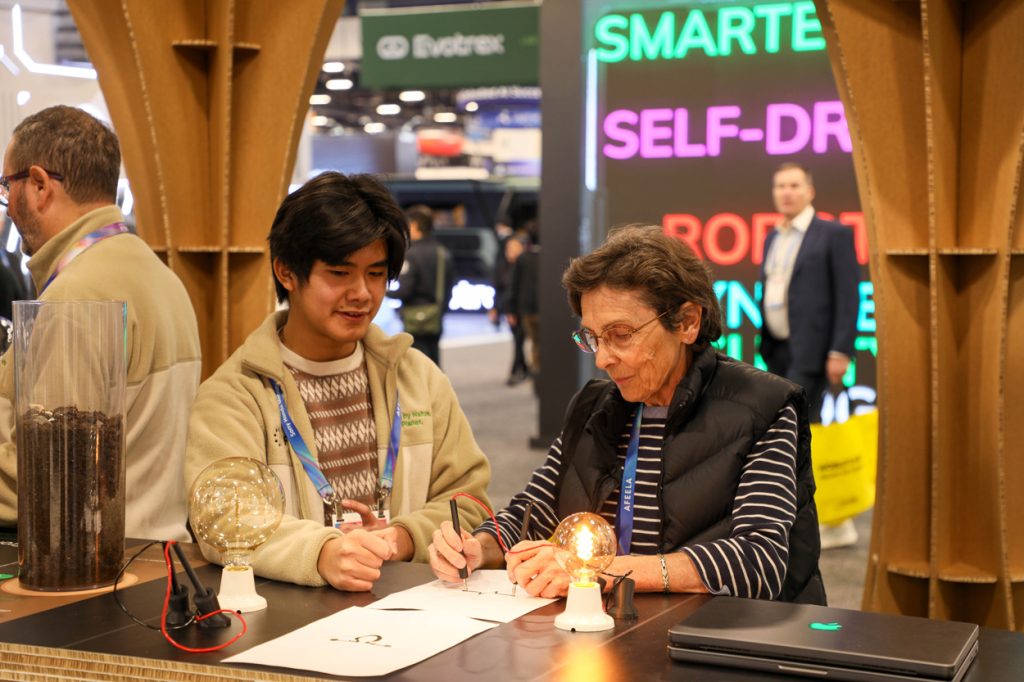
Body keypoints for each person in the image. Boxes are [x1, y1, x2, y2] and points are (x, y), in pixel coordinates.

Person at [428, 225, 826, 603]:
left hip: (719, 634)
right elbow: (535, 508)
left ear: (687, 322)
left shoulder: (764, 407)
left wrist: (598, 571)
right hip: (613, 626)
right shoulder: (595, 406)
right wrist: (479, 547)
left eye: (620, 335)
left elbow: (759, 561)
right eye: (592, 338)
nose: (602, 359)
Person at [185, 172, 491, 591]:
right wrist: (321, 552)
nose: (362, 293)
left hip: (413, 611)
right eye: (339, 273)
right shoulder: (237, 394)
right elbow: (222, 517)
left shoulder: (417, 378)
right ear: (286, 272)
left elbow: (470, 501)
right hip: (289, 620)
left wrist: (401, 538)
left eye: (376, 274)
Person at [0, 105, 201, 540]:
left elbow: (48, 481)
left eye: (6, 186)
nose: (8, 206)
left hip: (98, 564)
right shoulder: (161, 277)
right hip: (152, 557)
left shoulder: (75, 298)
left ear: (39, 185)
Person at [758, 162, 860, 548]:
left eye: (794, 185)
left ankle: (836, 521)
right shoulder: (774, 236)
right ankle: (804, 517)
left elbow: (848, 295)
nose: (786, 192)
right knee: (792, 433)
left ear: (810, 191)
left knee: (808, 434)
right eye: (780, 185)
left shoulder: (833, 234)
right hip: (779, 349)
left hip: (815, 352)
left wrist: (840, 350)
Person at [390, 205, 455, 367]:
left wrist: (385, 292)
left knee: (416, 366)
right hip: (435, 315)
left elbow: (404, 290)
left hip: (414, 317)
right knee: (434, 363)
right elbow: (450, 285)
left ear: (415, 225)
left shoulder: (411, 254)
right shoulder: (442, 252)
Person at [506, 220, 540, 378]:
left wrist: (511, 309)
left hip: (525, 308)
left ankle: (535, 369)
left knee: (534, 341)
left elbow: (514, 285)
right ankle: (536, 369)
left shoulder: (522, 258)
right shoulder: (548, 258)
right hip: (542, 307)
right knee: (539, 342)